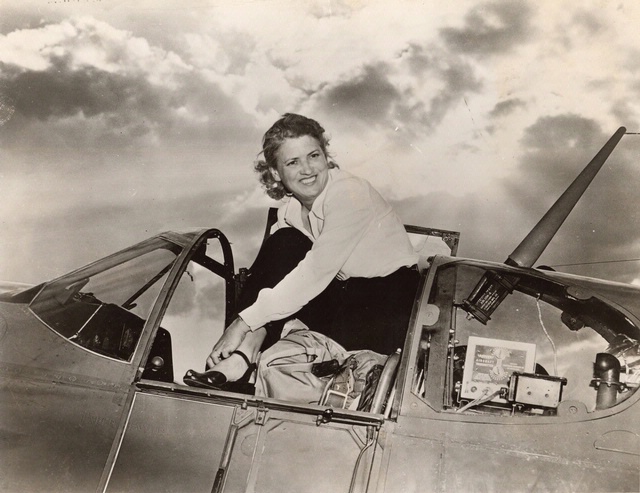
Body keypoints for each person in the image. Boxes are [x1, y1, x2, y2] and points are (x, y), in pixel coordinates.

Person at [184, 113, 420, 392]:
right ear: (275, 173)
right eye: (293, 162)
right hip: (343, 302)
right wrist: (250, 324)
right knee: (283, 242)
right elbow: (274, 274)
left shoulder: (350, 193)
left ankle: (244, 352)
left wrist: (241, 322)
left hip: (386, 308)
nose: (307, 169)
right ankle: (243, 355)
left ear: (325, 156)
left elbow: (315, 273)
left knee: (287, 255)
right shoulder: (292, 213)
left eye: (313, 156)